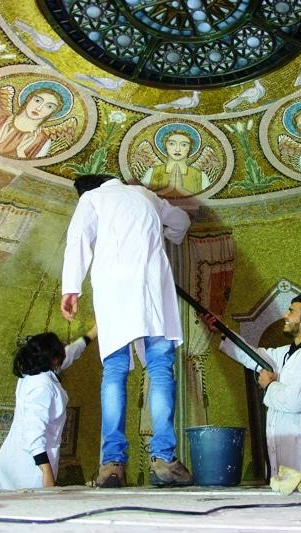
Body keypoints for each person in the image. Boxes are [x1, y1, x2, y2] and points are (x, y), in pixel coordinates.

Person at [60, 173, 193, 488]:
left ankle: (112, 465)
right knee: (160, 369)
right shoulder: (146, 195)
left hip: (115, 290)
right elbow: (182, 222)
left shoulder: (92, 198)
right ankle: (164, 458)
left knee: (115, 371)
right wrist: (164, 234)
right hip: (153, 289)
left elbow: (78, 238)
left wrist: (71, 288)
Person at [201, 292, 301, 478]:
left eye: (291, 311)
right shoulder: (288, 353)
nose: (285, 316)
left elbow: (295, 401)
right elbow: (252, 356)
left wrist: (269, 385)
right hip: (287, 457)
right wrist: (223, 329)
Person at [0, 326, 96, 491]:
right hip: (27, 470)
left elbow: (70, 353)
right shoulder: (42, 386)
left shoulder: (32, 374)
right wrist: (47, 473)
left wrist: (93, 333)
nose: (64, 346)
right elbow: (34, 434)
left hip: (13, 462)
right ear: (53, 359)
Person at [140, 128, 210, 196]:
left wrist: (181, 189)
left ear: (190, 148)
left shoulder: (200, 176)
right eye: (171, 144)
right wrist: (168, 189)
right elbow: (142, 199)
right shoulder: (152, 173)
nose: (177, 149)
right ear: (165, 146)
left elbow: (205, 203)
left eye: (184, 145)